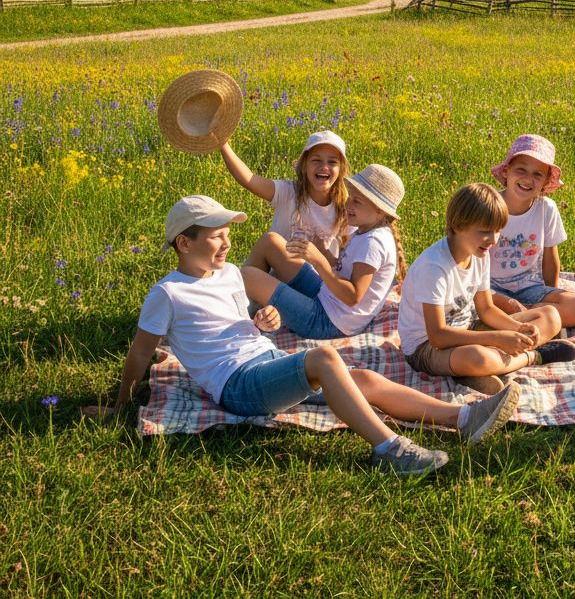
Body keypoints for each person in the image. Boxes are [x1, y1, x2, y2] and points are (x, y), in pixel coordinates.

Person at [82, 196, 521, 478]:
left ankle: (464, 419)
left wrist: (264, 321)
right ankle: (388, 449)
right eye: (216, 237)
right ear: (183, 243)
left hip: (265, 360)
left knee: (360, 379)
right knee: (325, 360)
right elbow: (140, 352)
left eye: (228, 235)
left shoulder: (231, 274)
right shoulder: (167, 293)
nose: (227, 244)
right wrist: (121, 404)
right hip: (238, 386)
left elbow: (240, 324)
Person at [397, 183, 575, 395]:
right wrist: (497, 338)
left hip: (469, 327)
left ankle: (476, 373)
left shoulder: (479, 253)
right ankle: (535, 356)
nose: (493, 240)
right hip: (427, 348)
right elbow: (438, 335)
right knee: (478, 357)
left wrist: (515, 329)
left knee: (550, 316)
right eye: (485, 232)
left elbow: (486, 309)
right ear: (457, 226)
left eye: (497, 232)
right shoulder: (434, 267)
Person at [242, 165, 407, 339]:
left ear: (380, 211)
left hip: (328, 321)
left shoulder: (373, 243)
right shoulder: (367, 230)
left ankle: (232, 315)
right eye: (350, 197)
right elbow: (345, 272)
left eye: (357, 202)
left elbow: (352, 296)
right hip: (327, 295)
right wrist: (326, 254)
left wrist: (318, 260)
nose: (347, 203)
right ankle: (245, 308)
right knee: (271, 242)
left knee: (248, 276)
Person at [488, 135, 575, 328]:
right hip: (491, 290)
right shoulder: (489, 205)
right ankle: (531, 320)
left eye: (537, 174)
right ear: (507, 170)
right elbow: (470, 260)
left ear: (545, 182)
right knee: (477, 306)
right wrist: (497, 299)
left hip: (530, 287)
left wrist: (552, 293)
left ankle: (520, 318)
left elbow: (551, 257)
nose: (528, 179)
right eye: (521, 170)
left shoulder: (546, 209)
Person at [219, 130, 348, 269]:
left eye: (332, 162)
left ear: (341, 169)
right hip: (278, 276)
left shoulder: (346, 205)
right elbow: (250, 180)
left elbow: (347, 259)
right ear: (304, 165)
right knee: (267, 245)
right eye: (316, 160)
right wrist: (222, 144)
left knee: (269, 242)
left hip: (318, 282)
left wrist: (322, 253)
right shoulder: (289, 192)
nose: (324, 167)